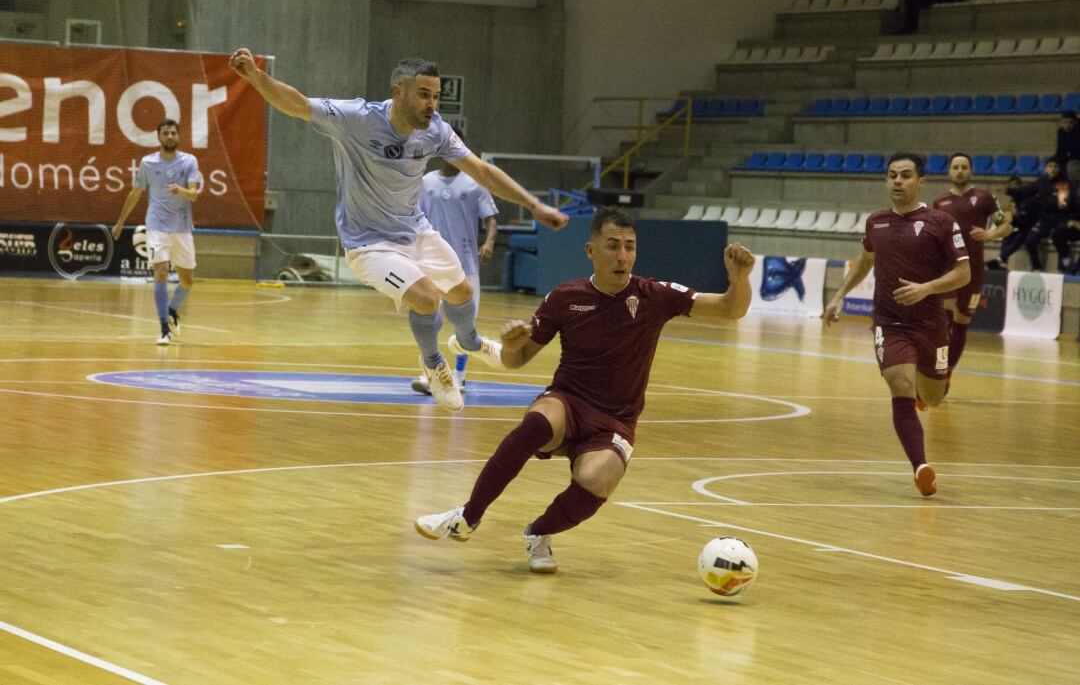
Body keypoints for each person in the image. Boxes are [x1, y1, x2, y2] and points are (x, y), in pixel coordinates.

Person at [414, 206, 755, 573]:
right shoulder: (564, 298)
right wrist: (513, 345)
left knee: (597, 480)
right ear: (591, 250)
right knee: (535, 426)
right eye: (612, 245)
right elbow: (518, 360)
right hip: (569, 401)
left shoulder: (654, 296)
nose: (622, 255)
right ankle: (467, 517)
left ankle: (539, 533)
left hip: (616, 420)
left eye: (629, 246)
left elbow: (729, 309)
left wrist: (740, 279)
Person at [228, 50, 567, 411]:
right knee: (425, 297)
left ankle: (468, 342)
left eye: (436, 96)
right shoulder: (357, 118)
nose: (432, 105)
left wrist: (534, 205)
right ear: (399, 92)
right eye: (424, 94)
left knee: (463, 292)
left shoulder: (436, 130)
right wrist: (256, 77)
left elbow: (480, 171)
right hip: (368, 245)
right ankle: (434, 363)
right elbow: (297, 104)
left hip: (416, 232)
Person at [825, 153, 971, 498]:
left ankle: (931, 387)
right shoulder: (875, 223)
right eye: (892, 175)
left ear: (921, 181)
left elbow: (963, 273)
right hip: (890, 323)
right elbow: (865, 260)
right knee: (900, 384)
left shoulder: (941, 221)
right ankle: (921, 468)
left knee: (933, 398)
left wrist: (927, 288)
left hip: (931, 323)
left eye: (906, 176)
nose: (897, 181)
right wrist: (839, 295)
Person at [411, 138, 499, 396]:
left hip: (466, 264)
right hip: (431, 263)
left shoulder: (475, 183)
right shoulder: (426, 183)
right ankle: (432, 374)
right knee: (428, 318)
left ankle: (459, 377)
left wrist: (490, 242)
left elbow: (491, 218)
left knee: (466, 324)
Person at [111, 119, 201, 345]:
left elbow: (194, 194)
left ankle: (172, 310)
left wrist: (181, 191)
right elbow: (135, 192)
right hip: (156, 225)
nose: (170, 136)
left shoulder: (189, 161)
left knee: (187, 281)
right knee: (160, 272)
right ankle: (163, 328)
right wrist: (120, 221)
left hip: (181, 227)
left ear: (178, 137)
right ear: (159, 137)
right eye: (166, 133)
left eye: (173, 133)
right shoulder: (148, 163)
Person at [932, 153, 1010, 377]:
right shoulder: (940, 201)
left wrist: (990, 234)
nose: (959, 171)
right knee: (943, 323)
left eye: (964, 167)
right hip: (948, 269)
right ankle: (938, 371)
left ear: (971, 171)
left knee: (961, 323)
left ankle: (948, 373)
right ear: (949, 172)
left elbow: (1005, 226)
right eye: (955, 167)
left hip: (973, 270)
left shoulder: (984, 198)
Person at [1013, 158, 1073, 271]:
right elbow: (1026, 190)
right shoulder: (1041, 181)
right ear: (1046, 168)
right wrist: (1011, 191)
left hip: (1059, 219)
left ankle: (1065, 263)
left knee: (1058, 235)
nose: (1053, 169)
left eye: (1055, 166)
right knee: (1030, 239)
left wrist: (1043, 199)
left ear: (1059, 169)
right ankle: (1037, 267)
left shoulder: (1063, 183)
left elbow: (1061, 205)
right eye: (1050, 166)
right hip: (1045, 220)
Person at [986, 175, 1036, 270]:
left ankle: (1001, 259)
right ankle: (1003, 262)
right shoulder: (1010, 200)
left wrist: (1014, 214)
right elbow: (998, 218)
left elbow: (1026, 219)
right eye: (1011, 185)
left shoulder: (1028, 199)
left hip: (1029, 226)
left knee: (1022, 234)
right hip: (1017, 226)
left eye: (1016, 185)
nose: (1014, 187)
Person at [1054, 110, 1080, 188]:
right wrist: (1055, 161)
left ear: (1076, 122)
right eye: (1065, 122)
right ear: (1061, 122)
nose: (1068, 125)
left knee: (1071, 166)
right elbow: (1060, 150)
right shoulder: (1061, 132)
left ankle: (1074, 191)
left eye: (1070, 122)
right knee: (1053, 166)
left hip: (1076, 159)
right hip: (1070, 158)